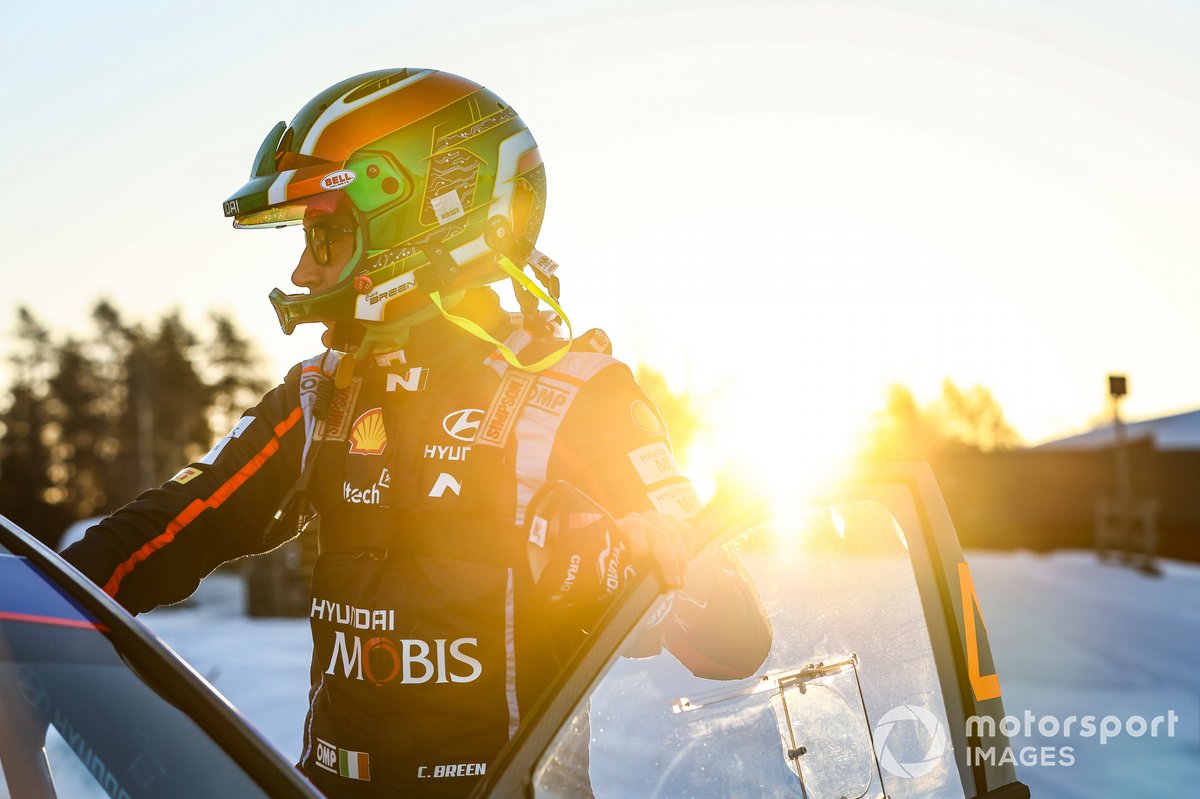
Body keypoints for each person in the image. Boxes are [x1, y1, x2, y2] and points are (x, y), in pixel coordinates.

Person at [63, 68, 771, 797]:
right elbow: (169, 527)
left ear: (423, 221)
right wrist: (29, 602)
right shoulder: (322, 391)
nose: (303, 268)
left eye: (327, 234)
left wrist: (631, 565)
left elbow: (738, 638)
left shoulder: (576, 394)